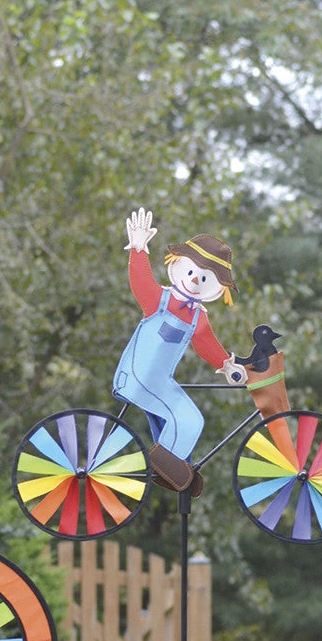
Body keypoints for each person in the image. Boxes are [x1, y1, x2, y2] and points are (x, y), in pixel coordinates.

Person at [112, 207, 246, 496]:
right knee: (188, 418)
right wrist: (138, 248)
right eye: (192, 272)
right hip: (137, 375)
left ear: (217, 288)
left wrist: (227, 365)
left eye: (205, 279)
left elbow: (206, 343)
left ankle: (172, 470)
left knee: (187, 418)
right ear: (178, 265)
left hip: (159, 381)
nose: (195, 280)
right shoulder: (159, 300)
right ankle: (168, 465)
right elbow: (141, 281)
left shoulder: (198, 317)